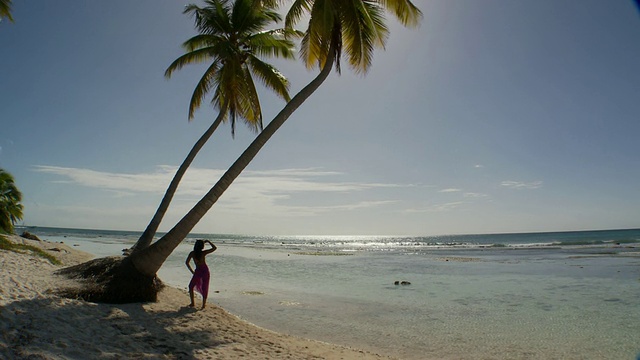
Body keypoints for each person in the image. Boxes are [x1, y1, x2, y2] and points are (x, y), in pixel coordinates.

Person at [185, 239, 217, 309]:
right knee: (203, 286)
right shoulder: (202, 253)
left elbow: (187, 262)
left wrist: (192, 271)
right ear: (202, 246)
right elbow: (214, 248)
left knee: (192, 286)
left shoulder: (193, 253)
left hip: (200, 271)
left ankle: (194, 303)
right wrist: (208, 241)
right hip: (204, 270)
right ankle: (201, 305)